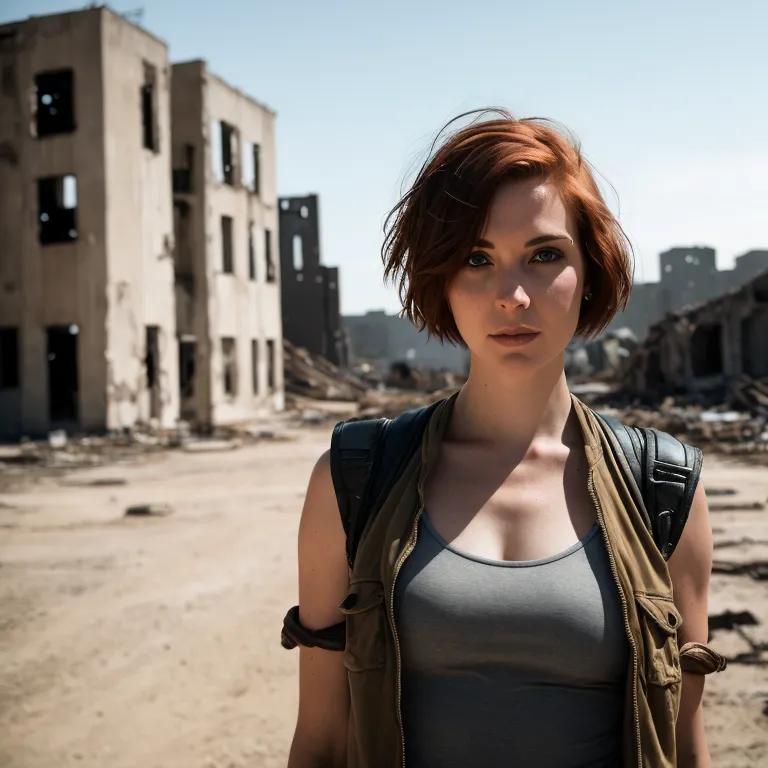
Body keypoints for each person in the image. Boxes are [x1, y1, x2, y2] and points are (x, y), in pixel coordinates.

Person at [285, 110, 725, 768]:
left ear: (591, 272)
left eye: (545, 255)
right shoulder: (353, 479)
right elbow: (320, 742)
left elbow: (683, 748)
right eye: (475, 258)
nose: (512, 295)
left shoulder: (663, 489)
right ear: (440, 280)